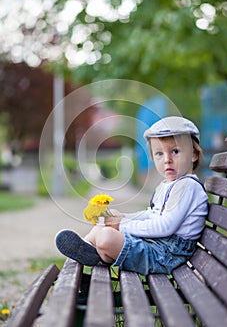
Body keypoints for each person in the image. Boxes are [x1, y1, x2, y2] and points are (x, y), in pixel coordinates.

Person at [55, 116, 209, 275]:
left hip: (166, 255)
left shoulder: (188, 186)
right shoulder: (169, 184)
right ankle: (86, 247)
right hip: (157, 246)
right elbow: (152, 214)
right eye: (159, 154)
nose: (167, 160)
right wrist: (125, 218)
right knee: (110, 218)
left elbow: (165, 226)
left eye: (175, 151)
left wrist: (122, 226)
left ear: (193, 154)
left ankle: (97, 250)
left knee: (107, 236)